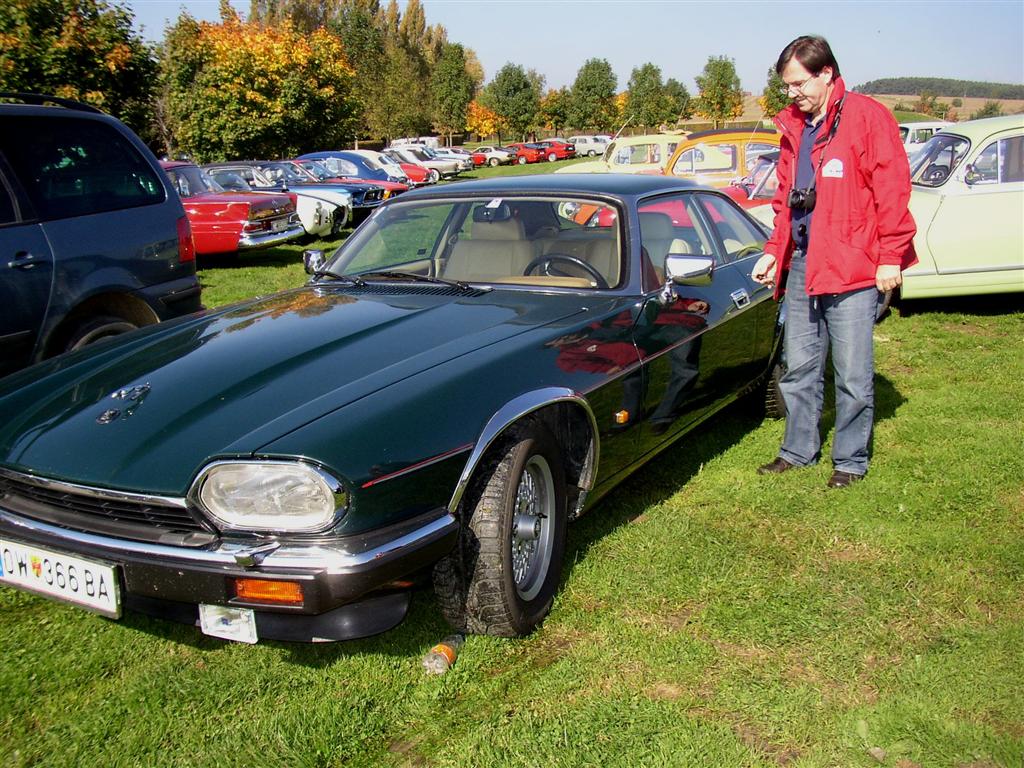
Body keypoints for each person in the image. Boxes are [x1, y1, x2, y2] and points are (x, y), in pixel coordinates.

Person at [750, 35, 917, 488]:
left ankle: (850, 461)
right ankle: (797, 450)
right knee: (800, 365)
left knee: (852, 372)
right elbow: (786, 198)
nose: (792, 93)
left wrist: (890, 256)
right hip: (805, 261)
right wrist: (774, 252)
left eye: (798, 83)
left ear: (826, 73)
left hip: (854, 265)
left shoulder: (866, 117)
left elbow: (892, 192)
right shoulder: (795, 127)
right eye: (786, 86)